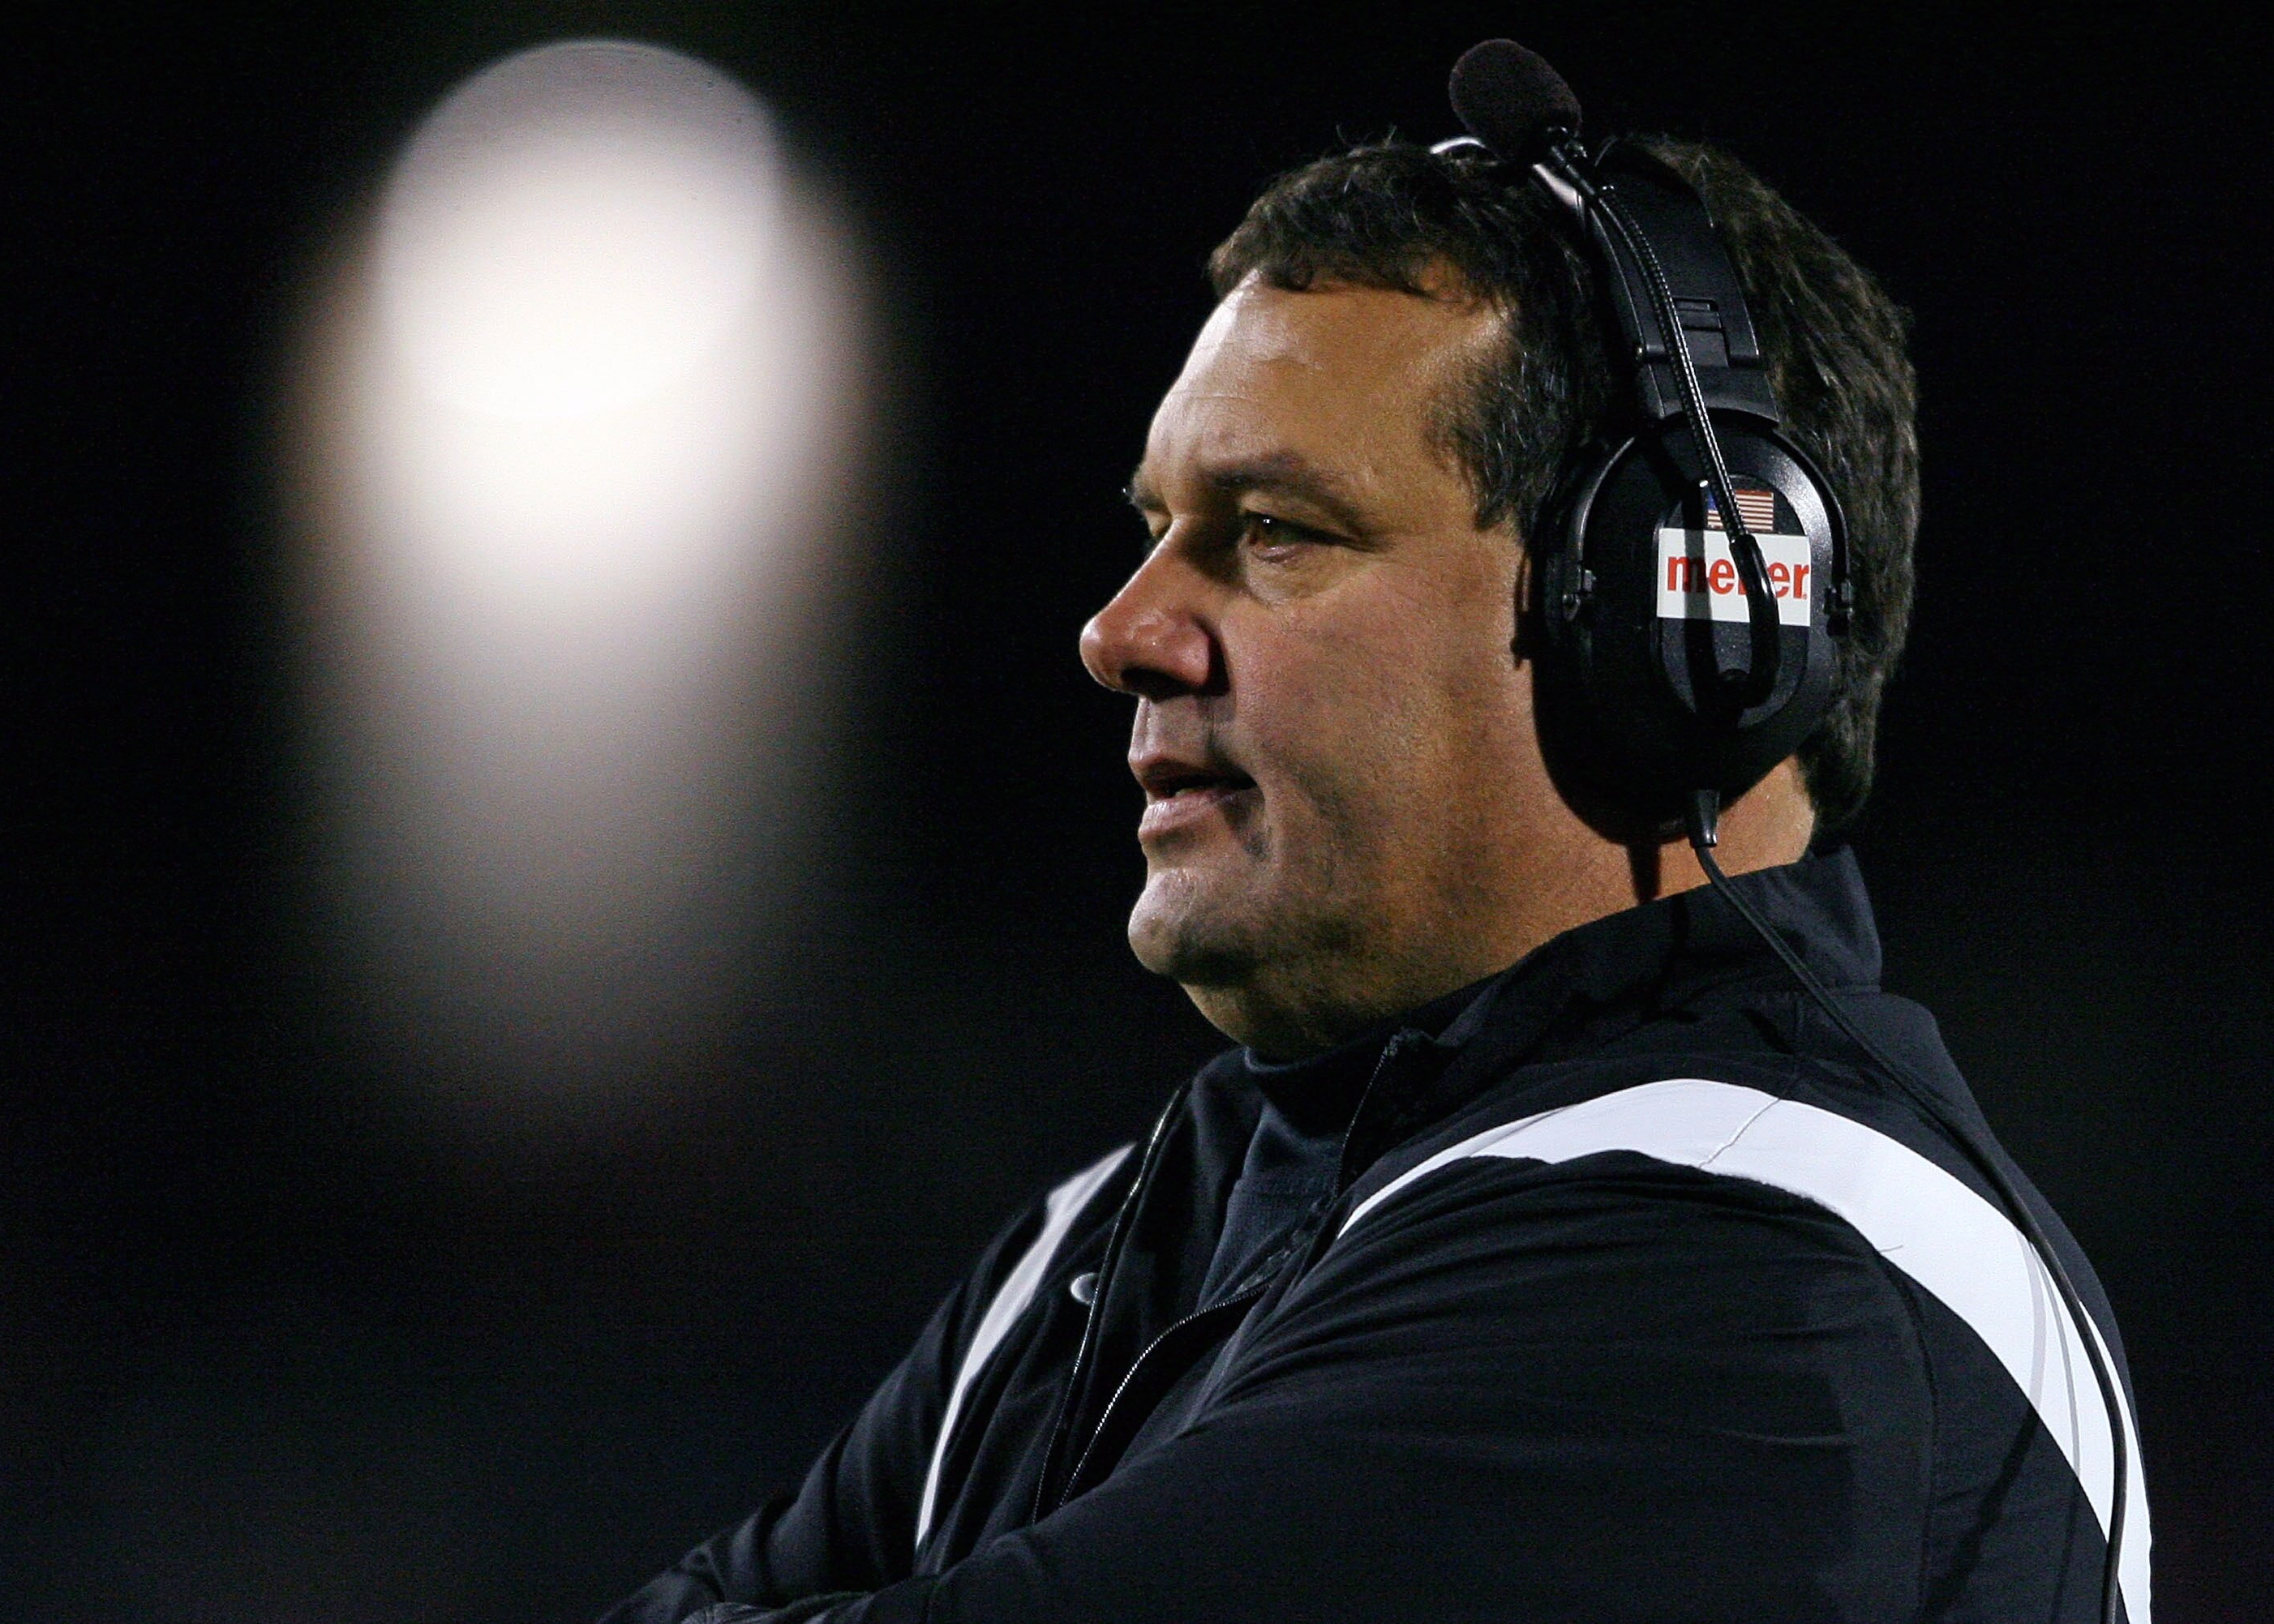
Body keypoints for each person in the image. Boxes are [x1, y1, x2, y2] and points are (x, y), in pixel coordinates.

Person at [601, 101, 2150, 1624]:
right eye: (1153, 526)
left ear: (1681, 623)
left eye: (1275, 531)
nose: (1122, 632)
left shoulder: (1741, 1262)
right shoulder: (1129, 1230)